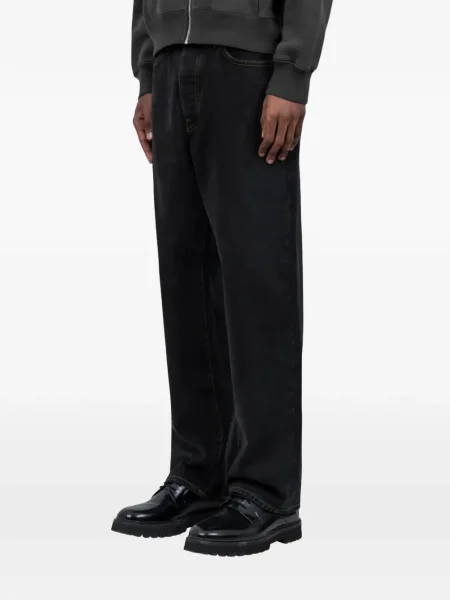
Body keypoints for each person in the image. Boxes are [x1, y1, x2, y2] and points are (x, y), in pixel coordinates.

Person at [112, 0, 333, 557]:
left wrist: (292, 73)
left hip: (248, 67)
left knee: (258, 281)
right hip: (170, 64)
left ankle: (267, 492)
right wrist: (148, 71)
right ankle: (198, 476)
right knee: (185, 278)